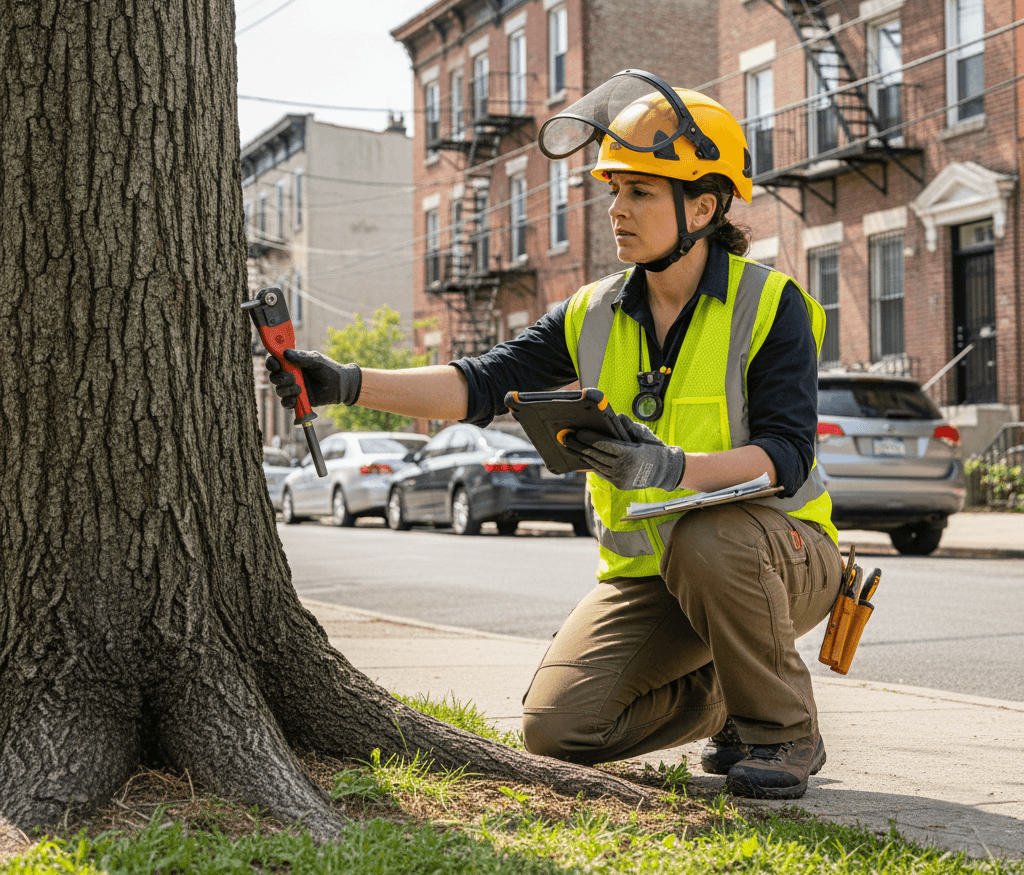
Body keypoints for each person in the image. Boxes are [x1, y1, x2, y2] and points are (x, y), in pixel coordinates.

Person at [266, 71, 843, 800]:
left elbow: (787, 458)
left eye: (639, 191)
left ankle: (784, 729)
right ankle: (733, 696)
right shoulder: (590, 311)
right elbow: (479, 382)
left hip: (783, 559)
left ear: (702, 205)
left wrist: (667, 466)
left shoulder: (770, 304)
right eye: (613, 191)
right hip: (656, 578)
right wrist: (347, 382)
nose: (615, 210)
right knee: (558, 730)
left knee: (711, 539)